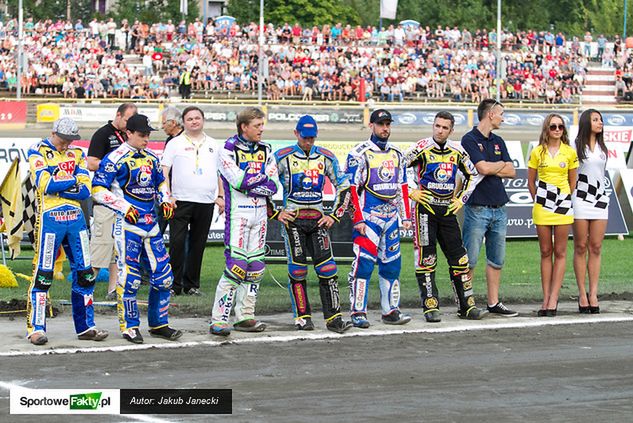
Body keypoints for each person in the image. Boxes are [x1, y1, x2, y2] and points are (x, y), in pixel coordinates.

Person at [92, 114, 182, 343]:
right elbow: (98, 190)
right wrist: (123, 207)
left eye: (148, 135)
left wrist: (165, 199)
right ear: (128, 133)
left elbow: (161, 182)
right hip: (127, 227)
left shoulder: (152, 157)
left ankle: (159, 323)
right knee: (129, 277)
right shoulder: (114, 158)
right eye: (142, 135)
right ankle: (129, 326)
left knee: (164, 277)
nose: (146, 140)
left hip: (151, 225)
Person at [26, 117, 109, 345]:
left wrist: (62, 183)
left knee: (85, 273)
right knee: (44, 274)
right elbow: (45, 185)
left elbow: (85, 191)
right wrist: (71, 182)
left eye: (70, 140)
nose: (66, 145)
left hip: (76, 220)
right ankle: (36, 328)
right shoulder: (37, 150)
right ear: (54, 133)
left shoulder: (78, 153)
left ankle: (86, 327)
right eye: (63, 140)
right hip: (49, 219)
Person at [271, 115, 352, 333]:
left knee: (328, 268)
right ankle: (302, 317)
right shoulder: (281, 156)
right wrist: (275, 212)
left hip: (318, 220)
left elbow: (344, 186)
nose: (309, 142)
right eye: (305, 137)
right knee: (297, 271)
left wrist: (334, 216)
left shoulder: (326, 157)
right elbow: (262, 184)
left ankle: (334, 318)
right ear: (296, 134)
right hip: (293, 221)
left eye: (312, 138)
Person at [404, 111, 486, 322]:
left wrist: (461, 199)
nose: (440, 130)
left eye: (444, 127)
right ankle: (430, 306)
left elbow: (472, 175)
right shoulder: (421, 147)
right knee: (426, 259)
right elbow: (398, 168)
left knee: (460, 259)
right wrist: (412, 190)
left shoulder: (457, 150)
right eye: (437, 126)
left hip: (448, 210)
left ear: (451, 130)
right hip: (425, 210)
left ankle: (467, 306)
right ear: (433, 126)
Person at [210, 107, 279, 336]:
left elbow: (273, 184)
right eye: (257, 125)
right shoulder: (227, 149)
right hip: (238, 213)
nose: (262, 129)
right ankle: (219, 319)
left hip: (260, 214)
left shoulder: (266, 149)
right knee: (236, 267)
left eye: (262, 125)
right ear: (244, 127)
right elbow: (238, 180)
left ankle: (245, 316)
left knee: (256, 268)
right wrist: (257, 181)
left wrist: (254, 182)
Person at [345, 109, 412, 329]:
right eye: (381, 124)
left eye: (388, 124)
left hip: (391, 217)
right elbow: (351, 189)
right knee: (363, 265)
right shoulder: (359, 153)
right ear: (371, 125)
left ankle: (391, 310)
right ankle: (358, 311)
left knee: (392, 265)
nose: (385, 128)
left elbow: (402, 186)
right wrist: (358, 219)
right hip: (368, 217)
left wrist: (406, 216)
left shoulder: (397, 153)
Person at [461, 99, 518, 317]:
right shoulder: (469, 139)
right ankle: (466, 302)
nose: (503, 118)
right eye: (501, 113)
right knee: (471, 258)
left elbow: (512, 170)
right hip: (477, 207)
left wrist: (492, 168)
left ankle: (493, 303)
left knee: (497, 259)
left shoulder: (498, 140)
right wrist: (498, 166)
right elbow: (481, 167)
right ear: (490, 114)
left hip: (499, 207)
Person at [161, 106, 224, 296]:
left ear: (203, 120)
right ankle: (174, 284)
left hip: (205, 201)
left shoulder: (214, 144)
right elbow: (164, 171)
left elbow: (220, 173)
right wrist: (168, 195)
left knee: (198, 244)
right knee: (177, 243)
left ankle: (191, 285)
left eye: (197, 118)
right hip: (180, 201)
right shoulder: (175, 143)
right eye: (190, 119)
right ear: (184, 122)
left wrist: (220, 196)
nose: (194, 121)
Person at [527, 114, 578, 317]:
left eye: (560, 126)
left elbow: (572, 181)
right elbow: (531, 181)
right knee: (546, 251)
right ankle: (545, 297)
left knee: (561, 251)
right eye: (553, 126)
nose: (557, 129)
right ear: (546, 129)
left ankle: (554, 298)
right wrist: (538, 199)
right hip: (543, 206)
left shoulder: (570, 152)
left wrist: (562, 198)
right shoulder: (537, 152)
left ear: (563, 130)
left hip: (563, 205)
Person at [87, 102, 137, 300]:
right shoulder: (103, 134)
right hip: (105, 201)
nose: (128, 125)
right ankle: (84, 292)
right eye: (126, 120)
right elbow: (91, 163)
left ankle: (113, 290)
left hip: (124, 203)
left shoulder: (129, 136)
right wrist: (116, 166)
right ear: (118, 115)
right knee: (100, 248)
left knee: (119, 251)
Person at [572, 109, 608, 314]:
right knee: (580, 246)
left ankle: (594, 293)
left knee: (596, 247)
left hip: (600, 199)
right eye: (595, 119)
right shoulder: (575, 146)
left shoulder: (603, 147)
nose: (600, 122)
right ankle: (582, 293)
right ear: (587, 122)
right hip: (580, 199)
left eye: (601, 119)